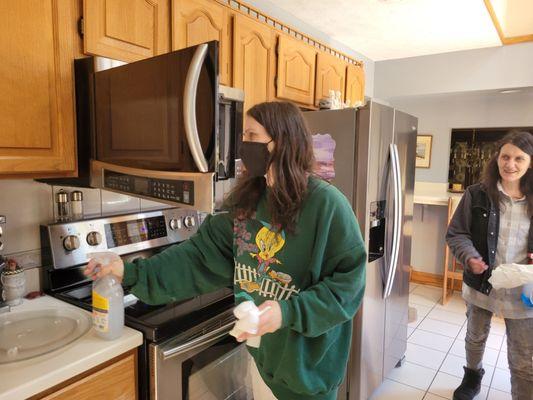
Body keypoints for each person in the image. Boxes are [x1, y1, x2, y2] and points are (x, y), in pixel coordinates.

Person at [85, 101, 367, 400]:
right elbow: (196, 257)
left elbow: (348, 285)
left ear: (281, 142)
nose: (244, 146)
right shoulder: (246, 205)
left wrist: (287, 312)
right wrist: (128, 270)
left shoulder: (326, 206)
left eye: (252, 135)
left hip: (310, 370)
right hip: (266, 359)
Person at [446, 130, 533, 400]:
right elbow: (457, 233)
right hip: (481, 285)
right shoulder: (477, 194)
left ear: (530, 162)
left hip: (523, 292)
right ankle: (472, 376)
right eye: (505, 157)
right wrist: (470, 256)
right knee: (475, 337)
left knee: (523, 354)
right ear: (497, 159)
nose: (510, 164)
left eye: (519, 158)